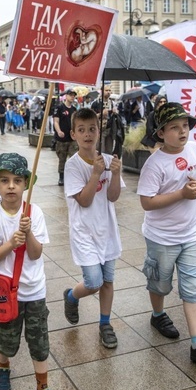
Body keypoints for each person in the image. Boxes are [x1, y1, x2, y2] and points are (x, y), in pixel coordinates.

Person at [137, 102, 196, 364]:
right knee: (160, 283)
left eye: (186, 126)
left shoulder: (195, 149)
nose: (183, 132)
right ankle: (158, 315)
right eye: (175, 127)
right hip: (161, 237)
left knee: (193, 286)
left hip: (191, 234)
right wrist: (181, 193)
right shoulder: (155, 164)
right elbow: (146, 202)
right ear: (160, 133)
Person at [0, 153, 53, 390]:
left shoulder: (34, 213)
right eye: (5, 180)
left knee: (39, 341)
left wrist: (28, 232)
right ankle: (2, 368)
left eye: (17, 181)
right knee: (6, 338)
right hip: (4, 292)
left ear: (25, 185)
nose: (11, 186)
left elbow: (36, 253)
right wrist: (11, 243)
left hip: (34, 291)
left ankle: (43, 385)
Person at [62, 107, 124, 349]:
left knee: (108, 281)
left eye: (92, 129)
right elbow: (85, 200)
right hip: (84, 232)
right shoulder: (73, 165)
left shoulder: (108, 160)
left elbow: (113, 196)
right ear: (73, 134)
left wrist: (115, 174)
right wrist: (96, 173)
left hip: (107, 231)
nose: (87, 134)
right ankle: (71, 296)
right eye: (81, 130)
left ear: (99, 131)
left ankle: (105, 324)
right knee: (93, 282)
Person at [53, 89, 79, 186]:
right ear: (66, 96)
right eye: (71, 95)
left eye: (73, 95)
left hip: (72, 138)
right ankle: (61, 177)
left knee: (73, 158)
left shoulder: (74, 109)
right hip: (62, 139)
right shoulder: (60, 107)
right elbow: (56, 121)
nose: (72, 97)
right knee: (62, 158)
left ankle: (72, 176)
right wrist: (59, 131)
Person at [91, 86, 123, 158]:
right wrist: (101, 114)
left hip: (110, 129)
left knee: (109, 150)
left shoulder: (112, 103)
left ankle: (107, 167)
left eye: (109, 90)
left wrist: (115, 112)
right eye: (106, 90)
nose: (108, 92)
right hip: (99, 130)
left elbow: (117, 114)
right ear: (102, 91)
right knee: (100, 150)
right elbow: (91, 117)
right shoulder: (96, 103)